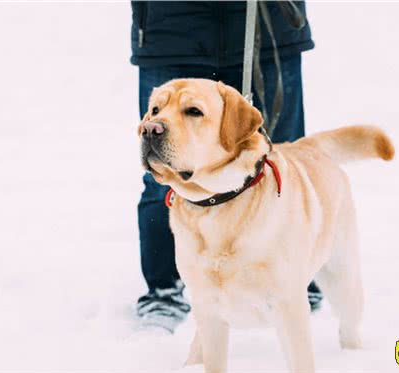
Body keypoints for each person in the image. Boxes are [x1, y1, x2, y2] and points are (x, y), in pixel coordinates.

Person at [130, 1, 322, 333]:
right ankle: (164, 291)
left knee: (283, 166)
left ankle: (292, 275)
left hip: (268, 25)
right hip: (172, 30)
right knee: (166, 172)